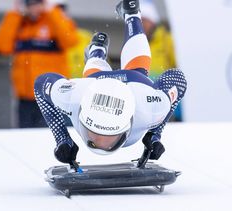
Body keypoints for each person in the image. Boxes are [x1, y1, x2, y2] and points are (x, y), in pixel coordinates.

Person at [34, 0, 187, 164]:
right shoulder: (152, 108)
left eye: (108, 137)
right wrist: (154, 134)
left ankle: (100, 48)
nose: (100, 143)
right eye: (94, 133)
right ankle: (127, 21)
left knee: (102, 75)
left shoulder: (74, 96)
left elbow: (41, 83)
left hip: (116, 84)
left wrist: (63, 139)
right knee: (137, 68)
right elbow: (177, 79)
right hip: (127, 83)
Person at [0, 0, 79, 128]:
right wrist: (14, 13)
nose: (33, 7)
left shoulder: (54, 20)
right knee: (25, 139)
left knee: (49, 138)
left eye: (37, 2)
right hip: (25, 99)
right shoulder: (20, 24)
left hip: (50, 97)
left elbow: (70, 40)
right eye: (29, 3)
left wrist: (52, 11)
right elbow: (2, 46)